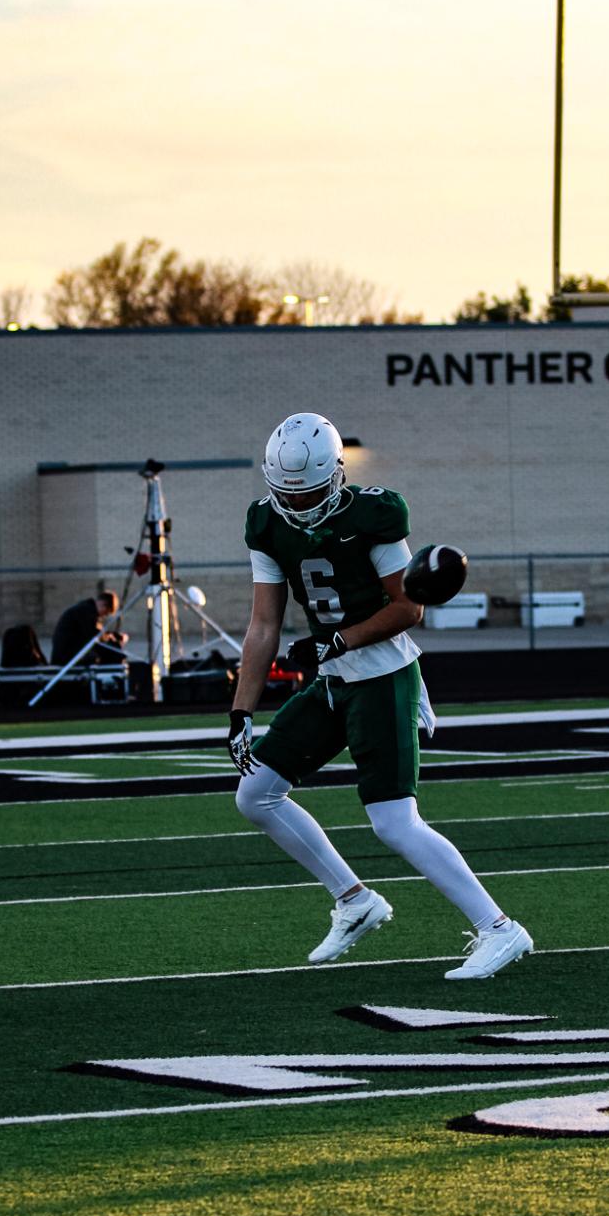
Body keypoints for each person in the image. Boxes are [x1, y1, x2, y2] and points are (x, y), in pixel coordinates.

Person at [226, 413, 533, 981]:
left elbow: (408, 608)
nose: (300, 504)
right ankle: (355, 900)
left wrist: (336, 641)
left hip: (382, 674)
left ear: (336, 475)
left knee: (394, 822)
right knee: (256, 795)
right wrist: (241, 709)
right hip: (334, 678)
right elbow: (263, 623)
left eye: (313, 491)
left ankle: (499, 928)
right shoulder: (265, 524)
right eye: (289, 493)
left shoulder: (374, 513)